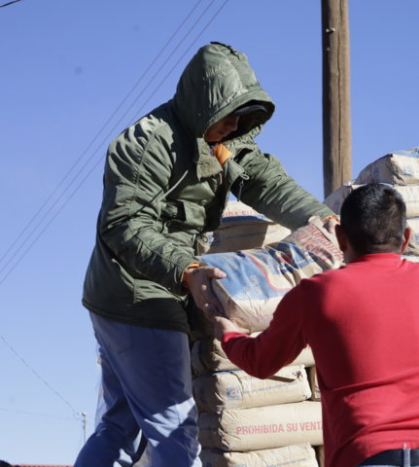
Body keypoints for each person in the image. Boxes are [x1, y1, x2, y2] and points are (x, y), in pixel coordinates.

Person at [75, 41, 336, 467]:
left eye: (242, 117)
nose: (234, 124)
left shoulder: (224, 140)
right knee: (176, 430)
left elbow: (266, 182)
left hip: (136, 292)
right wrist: (187, 269)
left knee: (121, 427)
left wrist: (323, 220)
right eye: (229, 114)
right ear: (204, 103)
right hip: (137, 294)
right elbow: (125, 225)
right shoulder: (147, 143)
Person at [208, 184, 419, 467]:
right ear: (406, 238)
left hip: (367, 454)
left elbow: (260, 361)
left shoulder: (316, 293)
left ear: (339, 238)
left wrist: (229, 334)